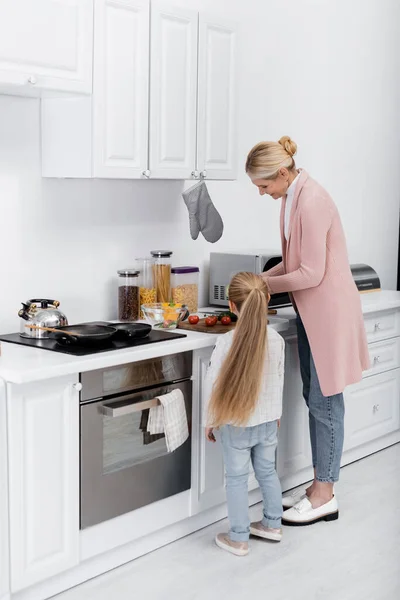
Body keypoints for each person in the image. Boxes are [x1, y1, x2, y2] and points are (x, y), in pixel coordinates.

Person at [245, 136, 370, 526]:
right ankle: (319, 484)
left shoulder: (312, 201)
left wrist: (263, 287)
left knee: (326, 401)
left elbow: (312, 273)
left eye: (264, 186)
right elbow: (293, 261)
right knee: (313, 395)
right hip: (311, 313)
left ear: (282, 174)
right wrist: (259, 278)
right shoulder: (291, 199)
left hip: (329, 314)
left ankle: (325, 493)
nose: (263, 193)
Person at [204, 272, 285, 556]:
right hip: (267, 423)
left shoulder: (227, 342)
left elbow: (212, 385)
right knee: (267, 471)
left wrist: (210, 421)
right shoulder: (276, 340)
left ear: (231, 306)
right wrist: (276, 413)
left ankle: (238, 537)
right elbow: (278, 379)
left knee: (237, 479)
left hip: (236, 424)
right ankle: (273, 524)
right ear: (267, 301)